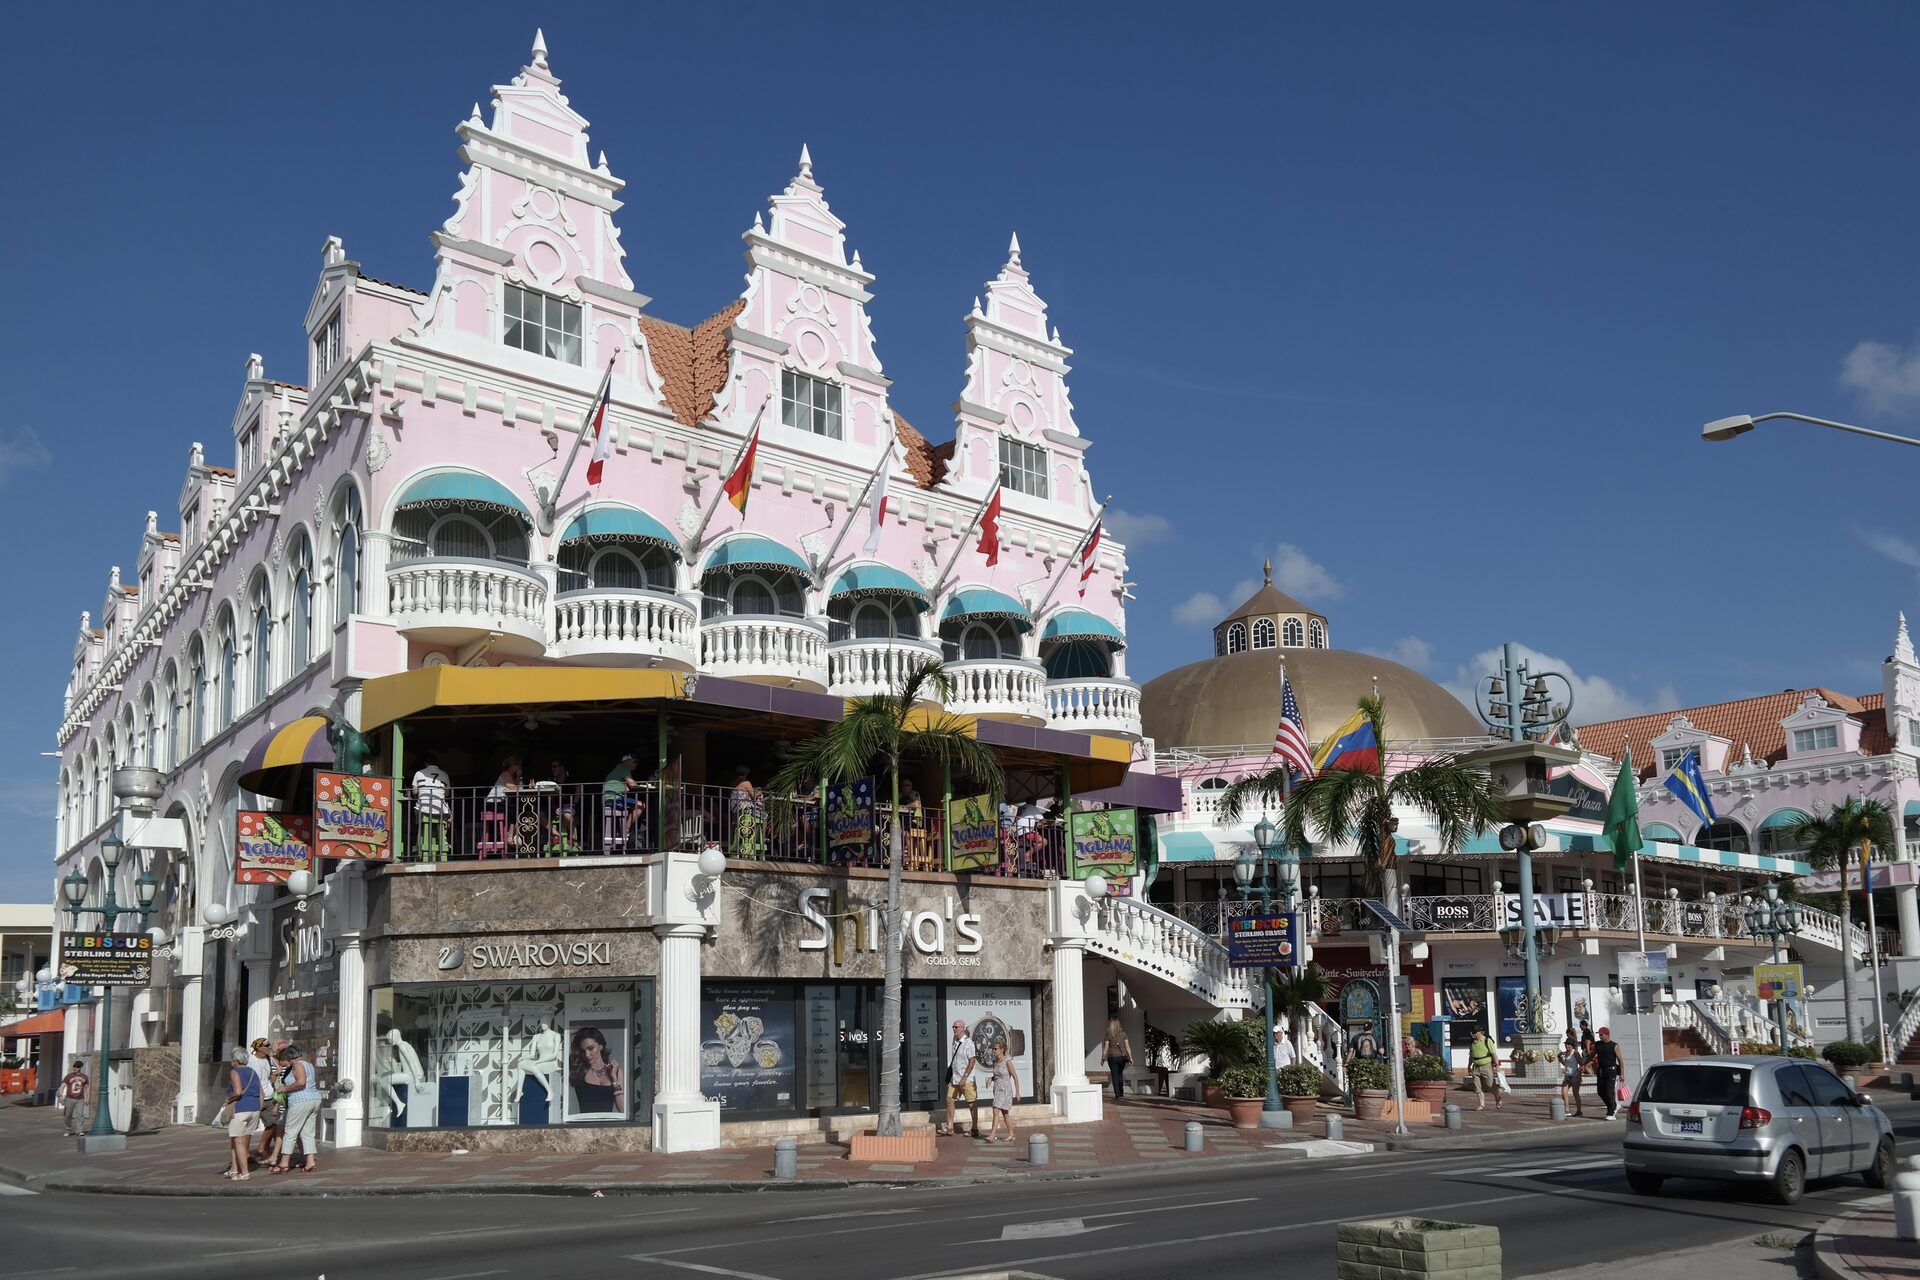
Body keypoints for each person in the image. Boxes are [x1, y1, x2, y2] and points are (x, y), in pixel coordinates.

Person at [270, 1044, 323, 1173]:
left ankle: (284, 1163)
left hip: (300, 1100)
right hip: (313, 1098)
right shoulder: (308, 1064)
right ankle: (310, 1162)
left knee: (290, 1131)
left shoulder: (297, 1065)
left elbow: (301, 1082)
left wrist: (285, 1088)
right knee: (307, 1132)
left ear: (289, 1057)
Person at [223, 1046, 263, 1181]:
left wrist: (229, 1099)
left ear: (236, 1061)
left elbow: (238, 1092)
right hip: (254, 1109)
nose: (231, 1062)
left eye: (232, 1059)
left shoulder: (234, 1072)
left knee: (238, 1142)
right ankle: (234, 1169)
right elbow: (261, 1093)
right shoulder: (253, 1072)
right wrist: (259, 1108)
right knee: (236, 1140)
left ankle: (245, 1173)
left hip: (240, 1109)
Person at [569, 1025, 624, 1115]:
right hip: (584, 1127)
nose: (587, 1054)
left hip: (607, 1127)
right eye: (583, 1051)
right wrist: (586, 1025)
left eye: (591, 1048)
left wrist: (614, 1079)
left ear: (601, 1046)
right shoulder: (579, 1070)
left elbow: (623, 1111)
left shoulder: (616, 1071)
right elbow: (564, 1034)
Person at [939, 1018, 980, 1138]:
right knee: (949, 1100)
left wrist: (965, 1076)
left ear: (962, 1028)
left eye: (956, 1027)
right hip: (954, 1077)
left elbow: (972, 1061)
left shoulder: (969, 1043)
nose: (954, 1029)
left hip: (966, 1079)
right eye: (953, 1027)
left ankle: (974, 1128)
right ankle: (950, 1127)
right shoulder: (954, 1040)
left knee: (972, 1103)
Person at [411, 752, 451, 860]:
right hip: (440, 810)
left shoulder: (419, 773)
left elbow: (414, 792)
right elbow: (447, 794)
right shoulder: (444, 774)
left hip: (424, 808)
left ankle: (421, 854)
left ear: (425, 763)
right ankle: (443, 847)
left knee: (420, 820)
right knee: (448, 818)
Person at [602, 752, 644, 852]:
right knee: (641, 805)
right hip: (614, 798)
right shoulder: (623, 768)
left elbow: (625, 789)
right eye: (634, 762)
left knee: (635, 805)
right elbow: (632, 784)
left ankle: (624, 830)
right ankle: (626, 830)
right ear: (627, 761)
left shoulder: (618, 769)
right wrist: (643, 785)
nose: (636, 764)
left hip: (611, 798)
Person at [729, 767, 766, 859]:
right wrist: (759, 792)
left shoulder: (733, 784)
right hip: (745, 810)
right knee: (764, 815)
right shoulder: (746, 783)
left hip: (736, 812)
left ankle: (754, 836)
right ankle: (761, 837)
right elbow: (753, 796)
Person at [1589, 1026, 1624, 1119]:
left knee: (1609, 1091)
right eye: (1599, 1035)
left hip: (1611, 1071)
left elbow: (1620, 1060)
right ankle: (1614, 1105)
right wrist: (1584, 1065)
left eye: (1601, 1035)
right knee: (1600, 1091)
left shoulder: (1614, 1045)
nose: (1600, 1036)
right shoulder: (1598, 1044)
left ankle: (1611, 1112)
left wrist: (1622, 1074)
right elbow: (1591, 1056)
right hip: (1601, 1070)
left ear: (1606, 1034)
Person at [987, 1041, 1019, 1143]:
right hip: (997, 1089)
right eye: (993, 1049)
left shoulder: (1007, 1062)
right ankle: (1011, 1134)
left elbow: (1015, 1077)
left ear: (1002, 1050)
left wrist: (1017, 1092)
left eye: (996, 1049)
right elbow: (997, 1075)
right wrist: (990, 1079)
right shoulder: (994, 1062)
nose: (994, 1051)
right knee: (1005, 1114)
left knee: (996, 1111)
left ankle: (992, 1135)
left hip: (1005, 1090)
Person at [544, 759, 579, 853]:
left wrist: (574, 802)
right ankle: (556, 834)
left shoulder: (571, 778)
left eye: (555, 766)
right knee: (538, 815)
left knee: (567, 815)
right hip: (555, 806)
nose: (553, 769)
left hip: (568, 804)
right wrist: (555, 808)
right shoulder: (551, 781)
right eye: (552, 767)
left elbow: (579, 788)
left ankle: (572, 836)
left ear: (562, 767)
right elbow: (548, 796)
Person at [1467, 1029, 1501, 1110]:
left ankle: (1497, 1097)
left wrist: (1497, 1065)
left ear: (1480, 1032)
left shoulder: (1487, 1040)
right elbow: (1471, 1056)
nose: (1473, 1034)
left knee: (1490, 1085)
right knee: (1477, 1087)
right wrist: (1469, 1066)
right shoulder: (1472, 1042)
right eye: (1472, 1032)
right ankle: (1482, 1104)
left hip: (1486, 1066)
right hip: (1476, 1067)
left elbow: (1493, 1054)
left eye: (1475, 1032)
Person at [1103, 1017, 1133, 1101]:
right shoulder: (1123, 1034)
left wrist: (1102, 1058)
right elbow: (1127, 1047)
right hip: (1122, 1058)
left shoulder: (1108, 1034)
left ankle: (1117, 1095)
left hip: (1112, 1057)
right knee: (1120, 1074)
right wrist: (1130, 1057)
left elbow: (1106, 1047)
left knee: (1115, 1076)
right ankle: (1121, 1092)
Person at [1558, 1032, 1585, 1119]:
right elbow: (1565, 1064)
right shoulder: (1565, 1053)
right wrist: (1560, 1059)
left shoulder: (1575, 1053)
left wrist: (1579, 1074)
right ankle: (1567, 1110)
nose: (1567, 1046)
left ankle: (1579, 1110)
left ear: (1572, 1045)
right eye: (1566, 1045)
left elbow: (1581, 1065)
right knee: (1563, 1092)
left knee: (1575, 1093)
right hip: (1567, 1076)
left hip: (1575, 1076)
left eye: (1569, 1045)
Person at [58, 1060, 88, 1136]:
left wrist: (87, 1098)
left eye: (77, 1067)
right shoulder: (68, 1076)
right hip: (69, 1098)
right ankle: (68, 1130)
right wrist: (60, 1096)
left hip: (80, 1098)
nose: (75, 1068)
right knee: (67, 1115)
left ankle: (79, 1130)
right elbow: (62, 1086)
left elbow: (86, 1088)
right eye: (74, 1066)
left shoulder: (84, 1077)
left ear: (80, 1068)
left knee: (80, 1115)